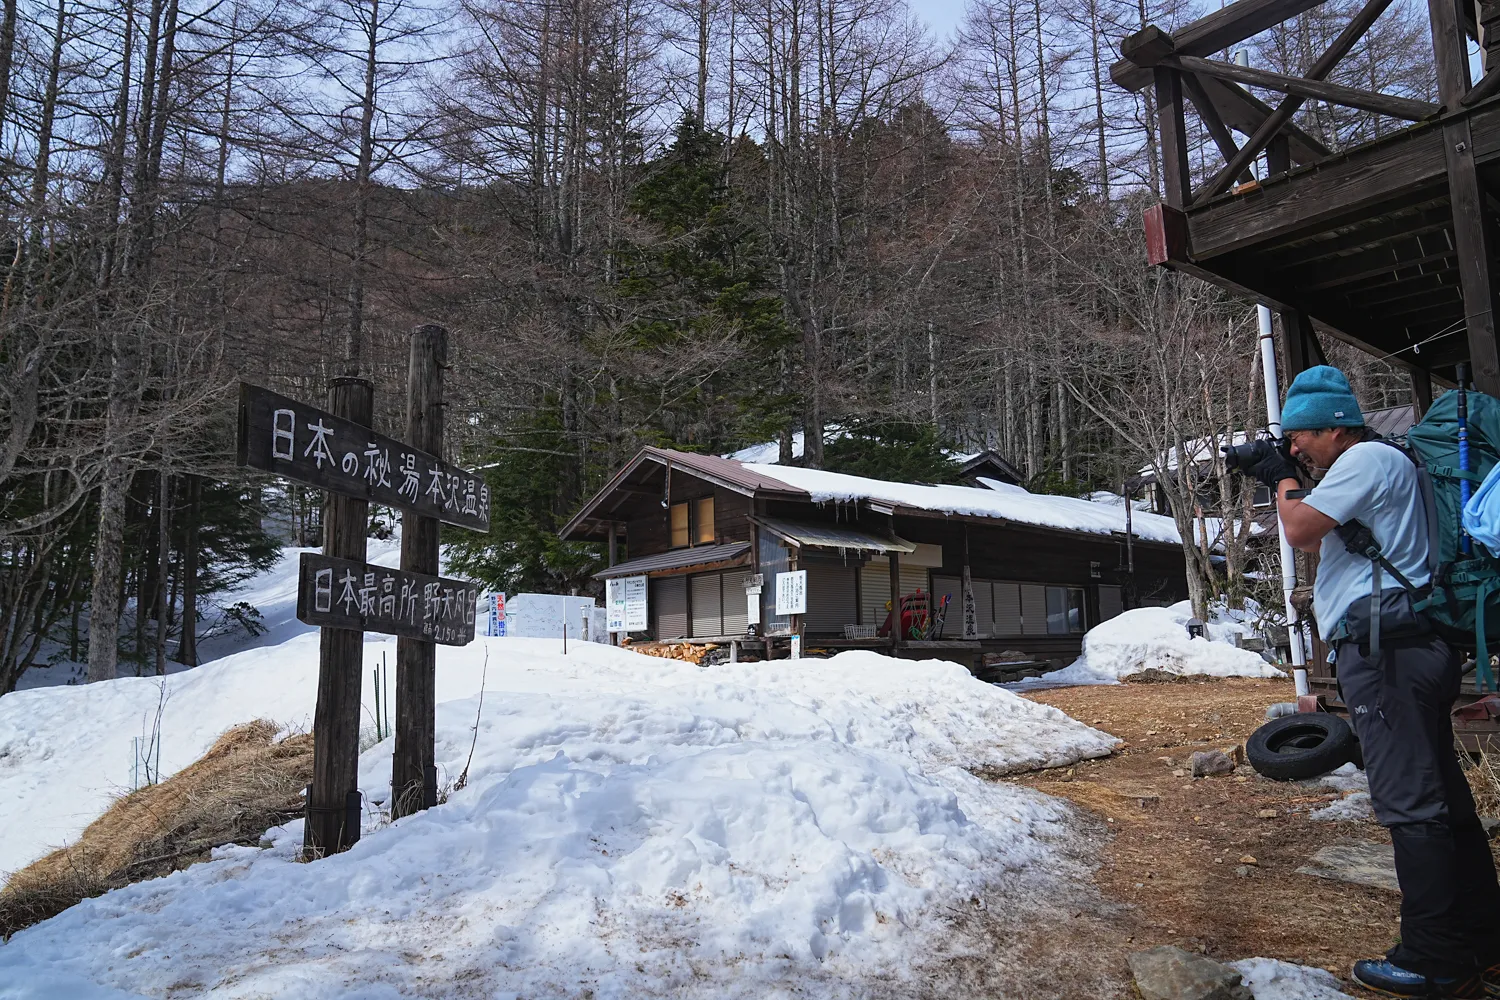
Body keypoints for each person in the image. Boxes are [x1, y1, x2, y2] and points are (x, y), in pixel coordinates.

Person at [1240, 365, 1500, 999]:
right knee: (1444, 800)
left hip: (1386, 654)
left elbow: (1299, 529)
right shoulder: (1388, 463)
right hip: (1411, 647)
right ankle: (1482, 942)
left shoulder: (1366, 459)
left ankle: (1432, 959)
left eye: (1300, 436)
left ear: (1334, 428)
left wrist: (1279, 476)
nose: (1295, 446)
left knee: (1411, 805)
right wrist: (1291, 473)